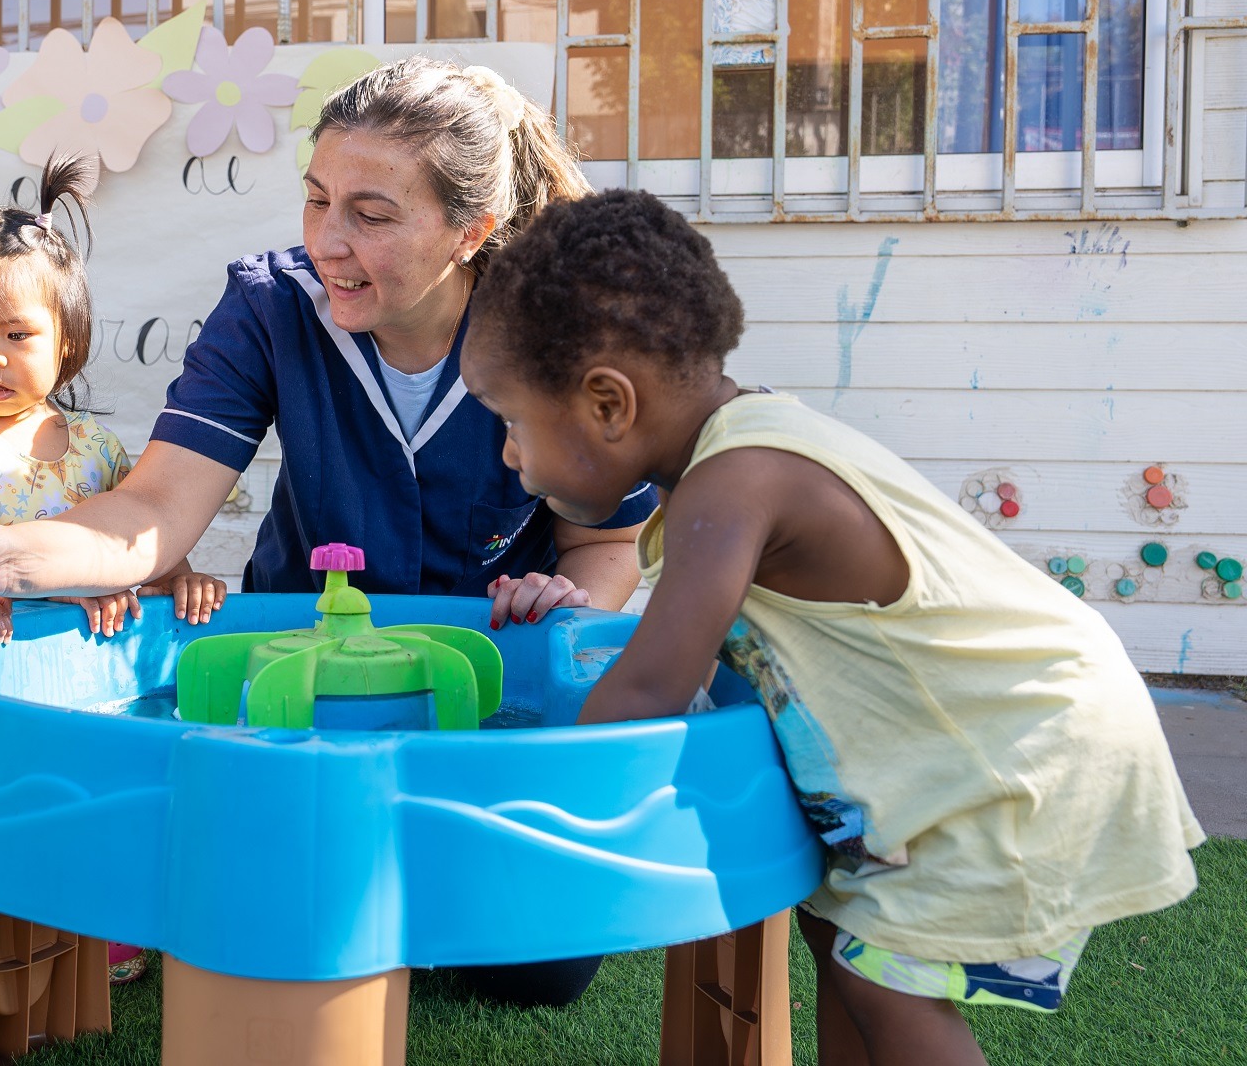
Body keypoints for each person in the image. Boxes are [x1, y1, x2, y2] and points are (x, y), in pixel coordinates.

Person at [0, 57, 661, 1008]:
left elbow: (605, 544)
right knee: (276, 917)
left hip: (483, 681)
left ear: (471, 230)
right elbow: (151, 515)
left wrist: (568, 603)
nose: (328, 239)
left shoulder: (559, 333)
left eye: (371, 213)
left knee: (532, 971)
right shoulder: (267, 309)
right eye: (317, 199)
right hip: (299, 677)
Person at [458, 189, 1205, 1065]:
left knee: (885, 979)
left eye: (512, 424)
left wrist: (527, 804)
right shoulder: (720, 461)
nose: (509, 453)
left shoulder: (734, 481)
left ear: (609, 405)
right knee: (843, 944)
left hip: (1013, 748)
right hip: (980, 742)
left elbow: (654, 684)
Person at [0, 156, 229, 1045]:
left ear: (66, 340)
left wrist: (169, 575)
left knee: (80, 794)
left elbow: (138, 542)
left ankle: (89, 916)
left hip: (74, 670)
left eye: (13, 333)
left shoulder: (103, 451)